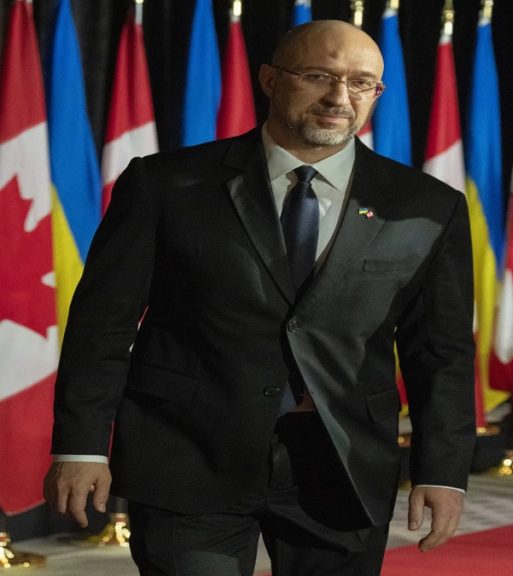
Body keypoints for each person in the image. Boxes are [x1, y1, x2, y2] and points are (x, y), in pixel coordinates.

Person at [44, 20, 476, 576]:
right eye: (318, 75)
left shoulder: (426, 206)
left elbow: (440, 352)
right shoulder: (165, 184)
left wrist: (442, 470)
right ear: (270, 79)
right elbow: (102, 324)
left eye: (361, 83)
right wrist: (81, 446)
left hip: (342, 466)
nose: (339, 97)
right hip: (188, 455)